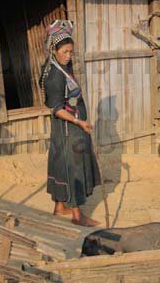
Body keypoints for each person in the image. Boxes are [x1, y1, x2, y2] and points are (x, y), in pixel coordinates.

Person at [40, 20, 100, 227]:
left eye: (71, 51)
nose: (68, 55)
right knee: (74, 168)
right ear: (54, 50)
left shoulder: (57, 66)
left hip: (66, 129)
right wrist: (79, 122)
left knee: (60, 165)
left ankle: (59, 207)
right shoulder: (55, 75)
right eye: (64, 51)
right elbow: (56, 109)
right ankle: (77, 215)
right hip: (69, 129)